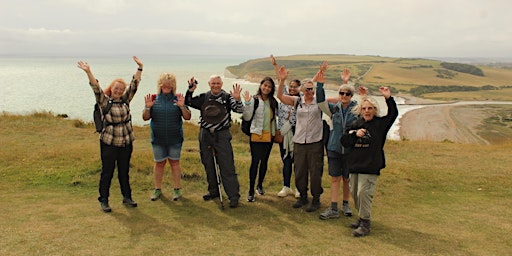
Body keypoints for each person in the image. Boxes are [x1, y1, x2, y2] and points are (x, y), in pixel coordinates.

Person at [77, 56, 143, 213]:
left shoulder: (125, 100)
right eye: (116, 88)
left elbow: (134, 85)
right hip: (109, 142)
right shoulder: (105, 101)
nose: (119, 91)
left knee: (124, 171)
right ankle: (104, 200)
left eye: (121, 89)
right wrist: (88, 71)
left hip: (126, 142)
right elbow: (95, 87)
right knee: (107, 171)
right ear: (111, 89)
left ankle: (127, 197)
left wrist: (140, 68)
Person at [341, 86, 398, 237]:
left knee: (364, 193)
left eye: (370, 108)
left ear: (375, 110)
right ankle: (361, 219)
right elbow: (344, 141)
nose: (367, 111)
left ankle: (365, 223)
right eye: (364, 108)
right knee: (355, 194)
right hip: (354, 166)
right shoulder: (356, 124)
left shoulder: (380, 124)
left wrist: (388, 98)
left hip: (370, 166)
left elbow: (393, 114)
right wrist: (354, 134)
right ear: (360, 110)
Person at [185, 75, 243, 208]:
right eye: (213, 83)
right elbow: (188, 102)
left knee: (227, 165)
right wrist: (190, 90)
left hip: (222, 135)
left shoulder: (227, 97)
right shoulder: (204, 97)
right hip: (205, 134)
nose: (216, 85)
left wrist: (238, 98)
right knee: (208, 163)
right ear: (209, 83)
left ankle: (233, 196)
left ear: (222, 84)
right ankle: (213, 191)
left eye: (218, 83)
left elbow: (239, 110)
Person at [317, 68, 366, 219]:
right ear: (338, 95)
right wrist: (320, 85)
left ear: (351, 96)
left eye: (347, 94)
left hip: (350, 149)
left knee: (347, 178)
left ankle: (345, 204)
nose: (344, 96)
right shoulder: (333, 109)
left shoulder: (356, 110)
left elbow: (368, 110)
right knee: (334, 178)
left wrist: (364, 96)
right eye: (341, 93)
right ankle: (333, 208)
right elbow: (320, 102)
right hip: (334, 148)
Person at [276, 64, 325, 212]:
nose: (310, 91)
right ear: (302, 90)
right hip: (299, 142)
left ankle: (316, 199)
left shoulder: (320, 102)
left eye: (312, 88)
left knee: (316, 172)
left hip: (315, 142)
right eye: (307, 88)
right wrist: (282, 80)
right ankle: (303, 196)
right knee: (299, 171)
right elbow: (279, 96)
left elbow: (338, 101)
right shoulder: (297, 101)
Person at [142, 73, 191, 201]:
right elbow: (145, 117)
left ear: (173, 85)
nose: (167, 85)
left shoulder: (178, 99)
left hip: (175, 139)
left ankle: (176, 190)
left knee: (175, 163)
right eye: (165, 82)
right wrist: (147, 108)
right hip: (158, 140)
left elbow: (187, 117)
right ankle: (157, 189)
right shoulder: (153, 99)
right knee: (159, 164)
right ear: (160, 84)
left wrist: (182, 106)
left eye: (170, 83)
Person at [242, 77, 278, 202]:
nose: (266, 88)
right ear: (261, 85)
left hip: (269, 136)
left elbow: (274, 120)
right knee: (255, 162)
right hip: (256, 135)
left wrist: (275, 134)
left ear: (272, 89)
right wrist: (247, 103)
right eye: (265, 85)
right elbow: (247, 117)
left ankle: (260, 185)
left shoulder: (273, 102)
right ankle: (251, 191)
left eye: (269, 86)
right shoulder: (254, 100)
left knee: (264, 162)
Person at [270, 55, 300, 198]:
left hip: (297, 134)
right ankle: (286, 186)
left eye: (296, 87)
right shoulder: (284, 96)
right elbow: (279, 80)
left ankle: (299, 188)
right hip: (283, 133)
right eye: (291, 86)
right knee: (286, 160)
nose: (293, 88)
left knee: (299, 163)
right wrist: (275, 66)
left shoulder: (302, 100)